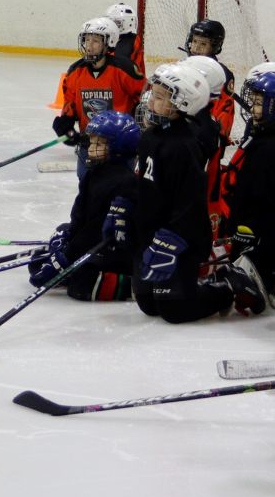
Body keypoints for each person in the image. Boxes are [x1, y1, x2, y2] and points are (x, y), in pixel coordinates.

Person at [124, 62, 236, 324]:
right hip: (150, 234)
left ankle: (228, 288)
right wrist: (123, 205)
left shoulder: (184, 146)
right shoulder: (150, 136)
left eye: (161, 97)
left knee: (174, 310)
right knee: (148, 305)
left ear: (182, 103)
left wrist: (171, 239)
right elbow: (139, 180)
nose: (151, 101)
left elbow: (189, 203)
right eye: (154, 93)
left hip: (178, 238)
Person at [211, 66, 275, 310]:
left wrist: (247, 232)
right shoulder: (267, 137)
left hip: (264, 237)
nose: (251, 107)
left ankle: (274, 277)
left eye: (259, 102)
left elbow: (267, 201)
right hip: (254, 230)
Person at [29, 110, 140, 302]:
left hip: (116, 250)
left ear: (119, 147)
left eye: (99, 143)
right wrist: (68, 237)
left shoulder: (125, 182)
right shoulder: (93, 174)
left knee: (81, 284)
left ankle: (135, 286)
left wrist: (67, 256)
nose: (90, 148)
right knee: (39, 259)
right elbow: (80, 216)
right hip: (94, 244)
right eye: (92, 141)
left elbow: (96, 231)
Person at [52, 16, 145, 178]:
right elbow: (70, 106)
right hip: (90, 144)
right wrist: (65, 126)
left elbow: (142, 100)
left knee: (120, 191)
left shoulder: (124, 69)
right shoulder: (75, 72)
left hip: (119, 146)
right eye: (87, 40)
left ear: (109, 42)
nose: (89, 46)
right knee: (88, 190)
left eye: (95, 41)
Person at [105, 1, 139, 70]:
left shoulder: (127, 42)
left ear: (129, 23)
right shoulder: (130, 38)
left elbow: (116, 66)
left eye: (116, 23)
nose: (111, 26)